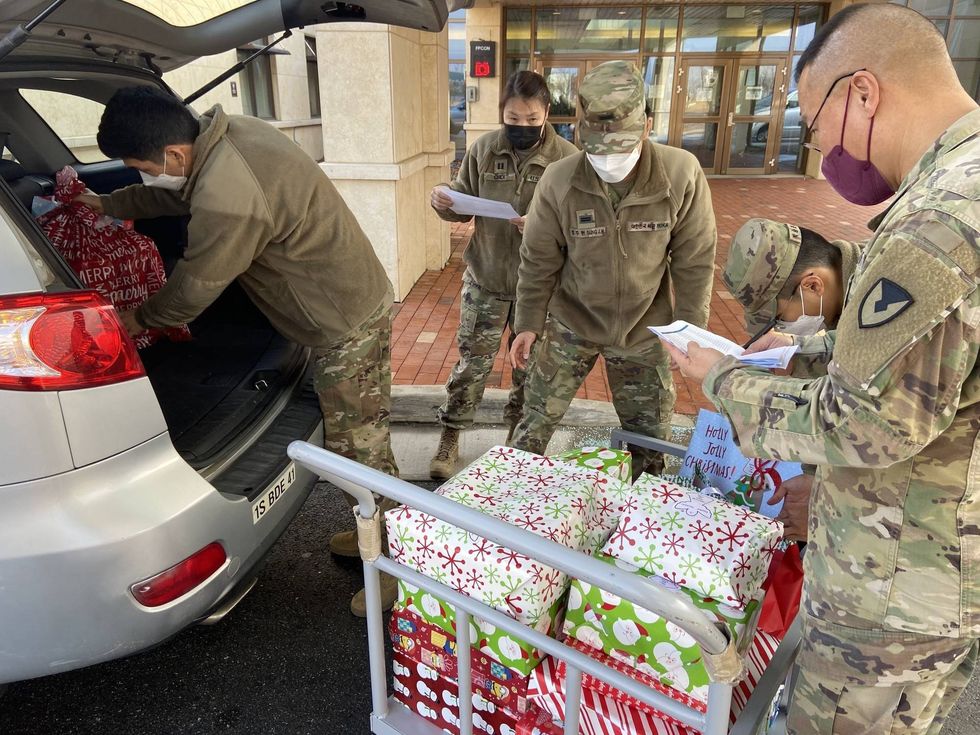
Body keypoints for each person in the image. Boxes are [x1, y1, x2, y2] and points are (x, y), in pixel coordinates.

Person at [664, 5, 980, 733]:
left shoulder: (936, 223)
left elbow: (868, 424)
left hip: (892, 597)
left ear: (862, 92)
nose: (824, 149)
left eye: (815, 124)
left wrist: (722, 378)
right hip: (937, 578)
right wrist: (794, 354)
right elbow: (928, 375)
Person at [79, 86, 399, 617]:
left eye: (139, 168)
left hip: (342, 321)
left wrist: (130, 320)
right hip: (342, 302)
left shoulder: (228, 192)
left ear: (173, 155)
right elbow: (174, 195)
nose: (143, 176)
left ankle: (392, 564)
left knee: (359, 447)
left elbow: (193, 288)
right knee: (358, 442)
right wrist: (109, 204)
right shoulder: (229, 137)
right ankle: (374, 526)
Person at [509, 60, 716, 476]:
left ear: (646, 126)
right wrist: (528, 322)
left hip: (644, 330)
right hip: (572, 322)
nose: (608, 159)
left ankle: (639, 527)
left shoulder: (680, 174)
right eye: (597, 147)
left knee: (650, 439)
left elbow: (695, 260)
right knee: (531, 426)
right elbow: (538, 260)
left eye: (620, 145)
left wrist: (689, 330)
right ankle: (509, 515)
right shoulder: (559, 179)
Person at [427, 70, 577, 480]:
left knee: (529, 370)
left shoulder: (567, 158)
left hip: (541, 287)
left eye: (532, 119)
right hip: (487, 278)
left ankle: (517, 444)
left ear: (547, 112)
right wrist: (444, 201)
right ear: (502, 113)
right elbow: (462, 204)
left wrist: (545, 226)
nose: (522, 127)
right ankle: (451, 436)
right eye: (514, 118)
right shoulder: (484, 149)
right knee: (471, 365)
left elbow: (582, 224)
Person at [723, 219, 863, 539]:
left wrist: (828, 496)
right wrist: (814, 477)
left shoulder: (884, 295)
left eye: (779, 318)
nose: (779, 330)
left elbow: (864, 417)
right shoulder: (825, 307)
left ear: (813, 285)